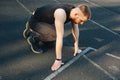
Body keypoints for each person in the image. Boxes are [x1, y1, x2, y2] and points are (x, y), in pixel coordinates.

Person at [23, 3, 91, 71]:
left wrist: (76, 47)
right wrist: (58, 60)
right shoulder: (61, 13)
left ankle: (34, 31)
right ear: (76, 14)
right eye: (81, 20)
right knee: (55, 35)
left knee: (51, 41)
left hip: (44, 21)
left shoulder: (74, 11)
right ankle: (33, 37)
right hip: (35, 21)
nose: (82, 23)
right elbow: (59, 37)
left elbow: (75, 29)